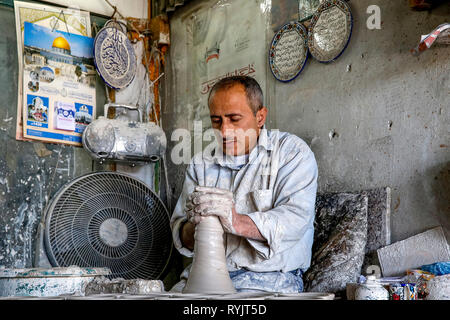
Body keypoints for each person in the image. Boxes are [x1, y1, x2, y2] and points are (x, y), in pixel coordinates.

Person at [170, 76, 318, 293]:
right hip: (200, 278)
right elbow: (182, 235)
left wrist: (235, 221)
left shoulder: (291, 153)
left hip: (270, 280)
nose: (225, 131)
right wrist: (196, 224)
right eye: (217, 120)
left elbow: (295, 220)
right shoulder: (201, 164)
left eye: (234, 119)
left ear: (260, 117)